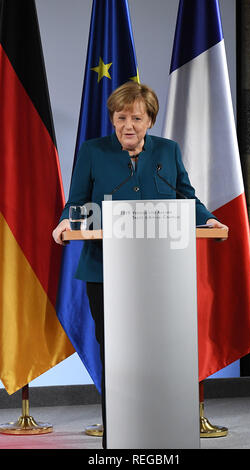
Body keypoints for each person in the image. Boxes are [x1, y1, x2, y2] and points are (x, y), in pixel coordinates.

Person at [52, 81, 228, 448]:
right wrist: (68, 221)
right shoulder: (93, 151)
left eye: (136, 117)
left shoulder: (168, 150)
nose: (127, 125)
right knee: (115, 353)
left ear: (150, 120)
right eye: (120, 118)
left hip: (163, 275)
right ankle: (118, 435)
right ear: (112, 120)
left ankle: (165, 431)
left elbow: (186, 197)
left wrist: (208, 220)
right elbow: (78, 201)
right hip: (106, 273)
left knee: (162, 350)